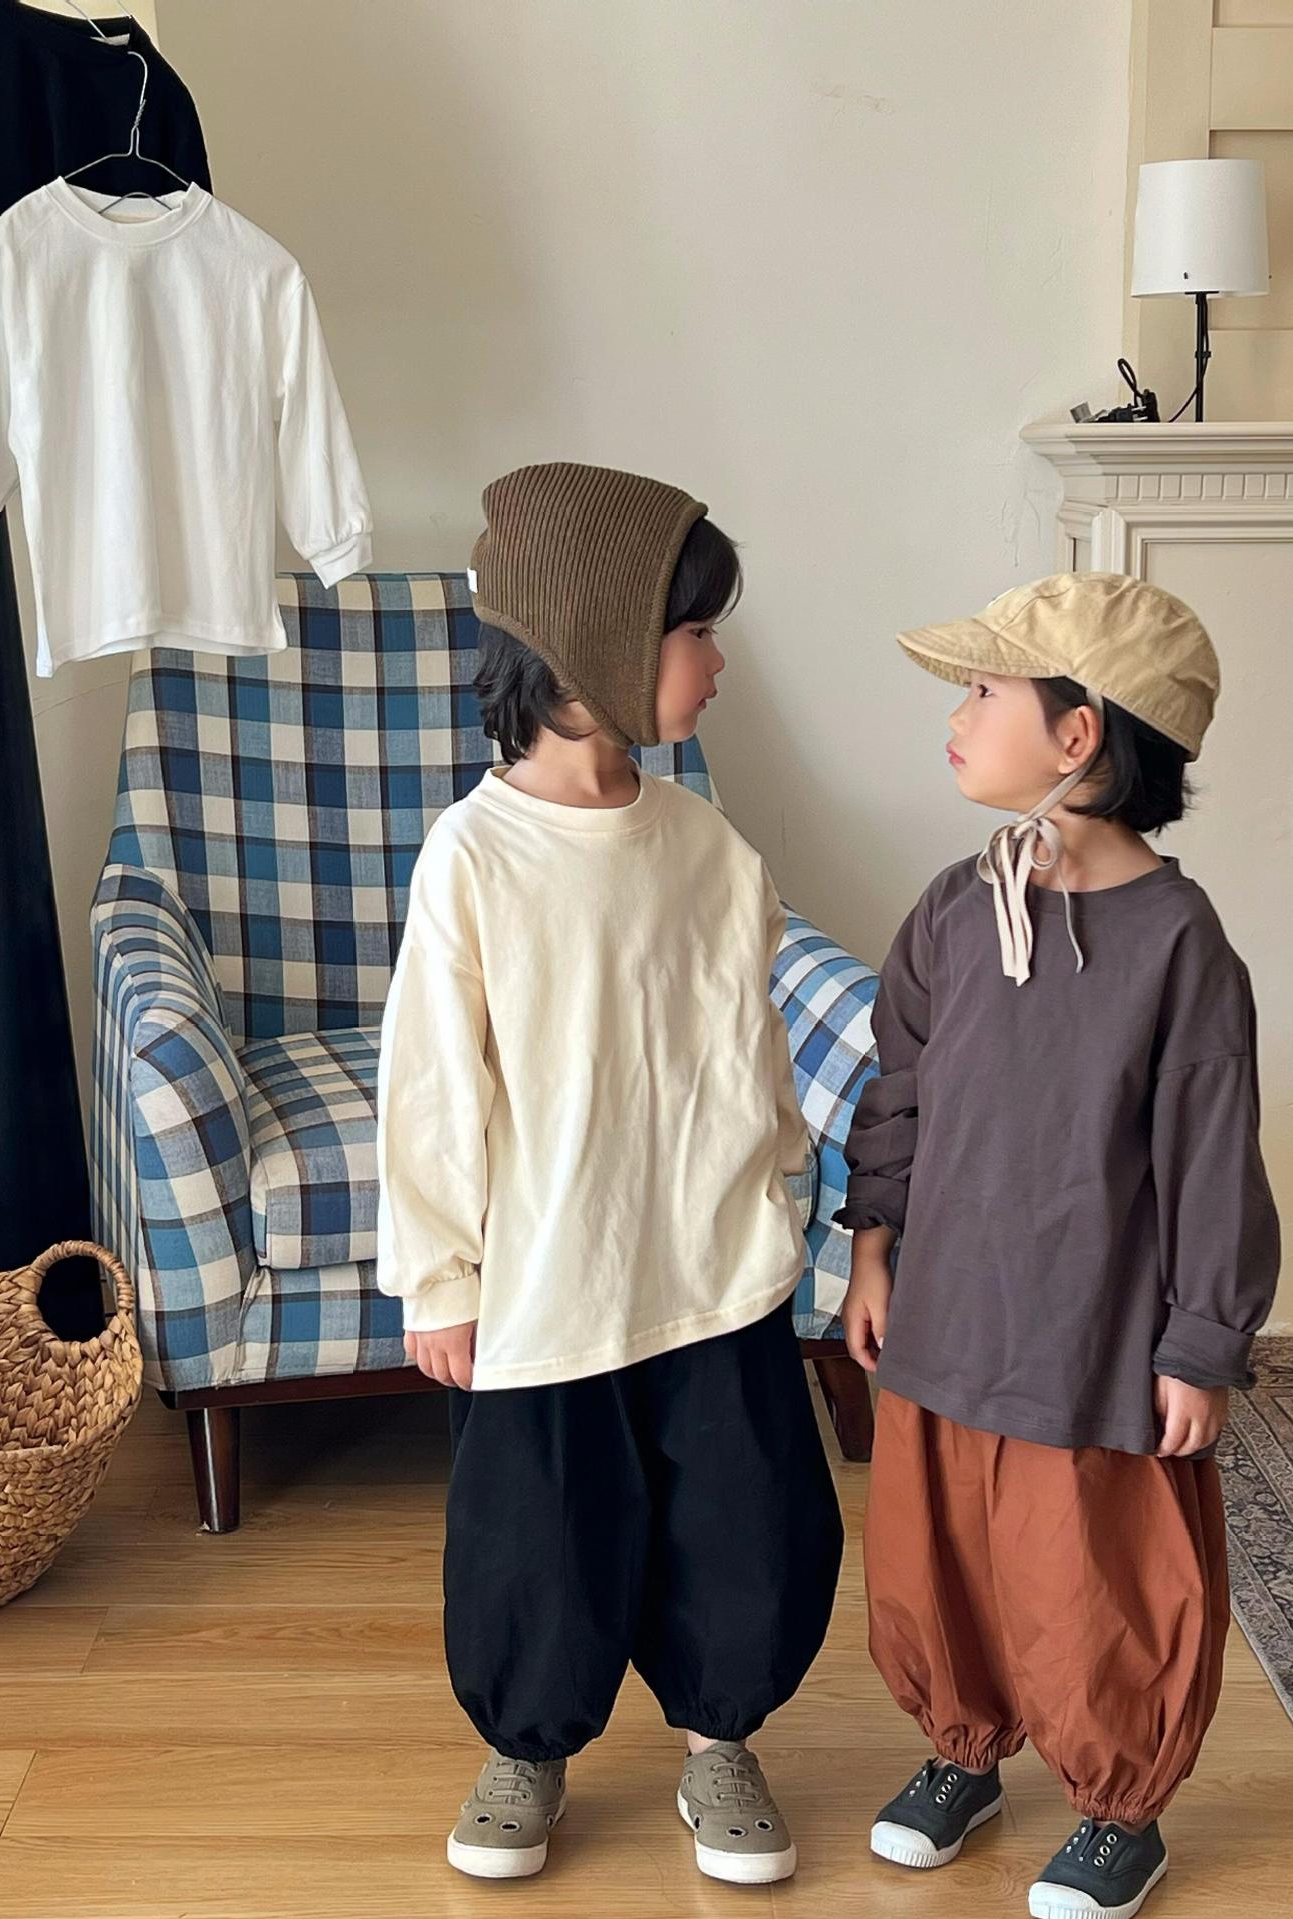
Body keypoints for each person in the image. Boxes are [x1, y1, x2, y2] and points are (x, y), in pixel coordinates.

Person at [375, 461, 843, 1885]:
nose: (718, 663)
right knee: (542, 1532)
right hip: (549, 1276)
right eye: (697, 632)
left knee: (744, 1518)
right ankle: (527, 1744)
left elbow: (752, 1046)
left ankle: (720, 1740)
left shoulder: (710, 849)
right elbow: (433, 1084)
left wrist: (781, 1194)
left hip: (713, 1263)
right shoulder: (474, 860)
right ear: (597, 648)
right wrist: (441, 1276)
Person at [837, 573, 1279, 1919]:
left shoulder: (1180, 945)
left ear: (1078, 735)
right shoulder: (955, 908)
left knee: (1089, 1576)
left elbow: (1212, 1156)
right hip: (946, 1315)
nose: (956, 718)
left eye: (983, 694)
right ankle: (962, 1748)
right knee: (941, 1554)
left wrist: (1201, 1343)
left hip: (1091, 1336)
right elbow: (899, 1086)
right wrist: (874, 1248)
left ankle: (1117, 1808)